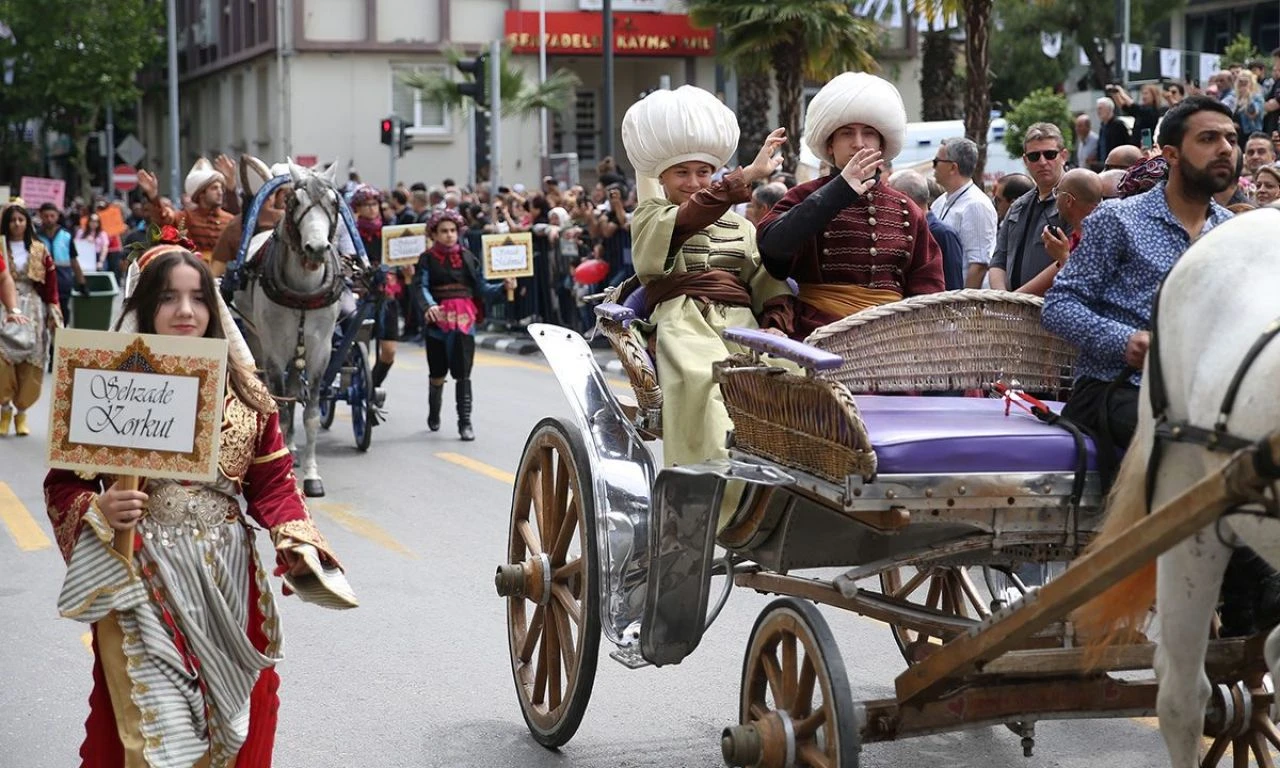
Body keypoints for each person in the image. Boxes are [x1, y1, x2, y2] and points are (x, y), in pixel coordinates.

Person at [44, 238, 355, 766]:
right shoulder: (107, 382)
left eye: (199, 297)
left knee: (230, 729)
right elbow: (64, 485)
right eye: (168, 298)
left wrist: (296, 540)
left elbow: (275, 481)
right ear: (144, 308)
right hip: (139, 575)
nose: (186, 311)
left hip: (229, 580)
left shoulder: (249, 394)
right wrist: (97, 512)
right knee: (152, 735)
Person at [622, 85, 794, 525]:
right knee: (708, 387)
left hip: (741, 323)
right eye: (683, 173)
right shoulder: (650, 216)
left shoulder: (741, 227)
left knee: (793, 379)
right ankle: (720, 505)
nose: (695, 182)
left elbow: (766, 281)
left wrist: (776, 321)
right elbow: (688, 218)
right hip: (682, 322)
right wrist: (746, 177)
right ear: (662, 179)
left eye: (704, 172)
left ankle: (795, 494)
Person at [757, 72, 945, 339]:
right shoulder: (803, 195)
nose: (858, 142)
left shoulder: (907, 208)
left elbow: (928, 284)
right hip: (818, 332)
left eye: (868, 133)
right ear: (830, 145)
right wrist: (839, 191)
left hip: (893, 340)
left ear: (881, 145)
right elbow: (772, 248)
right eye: (847, 133)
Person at [416, 209, 512, 440]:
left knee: (463, 373)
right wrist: (429, 306)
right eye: (444, 231)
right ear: (434, 234)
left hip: (465, 320)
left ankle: (465, 423)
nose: (449, 235)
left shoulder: (469, 256)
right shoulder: (426, 258)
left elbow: (481, 288)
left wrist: (503, 287)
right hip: (438, 321)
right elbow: (421, 286)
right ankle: (434, 411)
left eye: (452, 231)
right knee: (437, 373)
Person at [0, 201, 61, 436]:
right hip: (5, 307)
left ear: (27, 222)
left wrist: (53, 309)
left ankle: (22, 412)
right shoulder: (1, 247)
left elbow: (51, 285)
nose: (17, 224)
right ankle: (4, 408)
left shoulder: (39, 250)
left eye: (21, 220)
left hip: (33, 309)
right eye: (12, 220)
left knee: (33, 361)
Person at [990, 123, 1070, 291]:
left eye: (1050, 154)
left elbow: (1068, 260)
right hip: (1012, 309)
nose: (1042, 162)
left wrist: (1018, 299)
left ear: (1063, 156)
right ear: (1025, 160)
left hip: (1050, 307)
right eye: (1034, 156)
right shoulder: (1018, 205)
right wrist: (1003, 300)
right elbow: (999, 260)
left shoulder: (1073, 201)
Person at [1015, 168, 1101, 297]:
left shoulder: (1097, 238)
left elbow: (1087, 293)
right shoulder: (1076, 235)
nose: (1055, 199)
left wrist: (1062, 257)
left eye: (1057, 192)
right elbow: (1040, 284)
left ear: (1068, 200)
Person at [138, 156, 240, 264]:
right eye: (214, 188)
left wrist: (231, 183)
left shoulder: (229, 219)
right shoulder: (184, 218)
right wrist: (153, 196)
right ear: (201, 194)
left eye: (221, 188)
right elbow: (163, 220)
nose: (220, 192)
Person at [351, 184, 404, 394]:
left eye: (375, 204)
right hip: (359, 294)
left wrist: (406, 271)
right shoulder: (351, 233)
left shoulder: (390, 232)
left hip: (387, 294)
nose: (372, 209)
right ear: (358, 208)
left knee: (389, 352)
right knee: (351, 348)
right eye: (366, 205)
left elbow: (400, 263)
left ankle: (372, 387)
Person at [931, 136, 999, 287]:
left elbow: (979, 264)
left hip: (964, 304)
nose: (933, 167)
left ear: (953, 167)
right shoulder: (940, 201)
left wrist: (964, 307)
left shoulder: (976, 205)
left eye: (936, 162)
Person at [889, 170, 964, 290]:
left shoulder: (943, 234)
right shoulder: (907, 231)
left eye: (890, 197)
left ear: (905, 198)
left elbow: (953, 288)